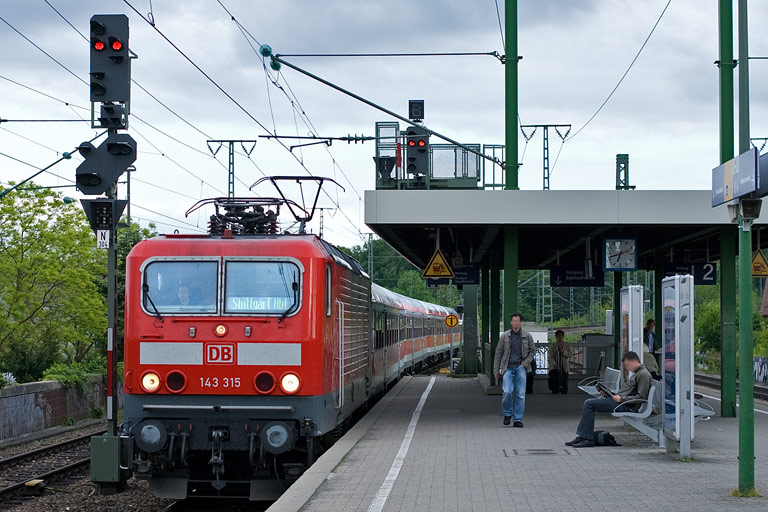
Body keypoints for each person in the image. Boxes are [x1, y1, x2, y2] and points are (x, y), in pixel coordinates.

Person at [565, 351, 651, 448]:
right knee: (589, 403)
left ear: (634, 361)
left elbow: (641, 397)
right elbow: (629, 392)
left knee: (589, 404)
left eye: (628, 365)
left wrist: (621, 399)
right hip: (621, 402)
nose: (628, 368)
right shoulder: (638, 373)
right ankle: (583, 436)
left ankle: (587, 438)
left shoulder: (644, 375)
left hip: (626, 405)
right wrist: (610, 395)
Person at [493, 313, 535, 427]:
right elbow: (498, 353)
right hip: (507, 368)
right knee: (507, 391)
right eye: (514, 321)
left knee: (520, 394)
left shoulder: (527, 336)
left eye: (517, 321)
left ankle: (517, 419)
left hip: (521, 367)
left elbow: (532, 352)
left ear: (521, 322)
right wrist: (496, 370)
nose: (515, 323)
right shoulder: (505, 336)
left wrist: (524, 364)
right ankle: (507, 414)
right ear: (511, 322)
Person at [547, 329, 571, 394]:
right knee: (555, 382)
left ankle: (563, 391)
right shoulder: (553, 345)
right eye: (558, 336)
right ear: (556, 337)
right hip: (555, 367)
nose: (560, 337)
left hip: (564, 366)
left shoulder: (566, 345)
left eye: (561, 336)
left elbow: (570, 355)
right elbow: (550, 356)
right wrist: (554, 363)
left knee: (565, 383)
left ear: (563, 336)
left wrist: (564, 352)